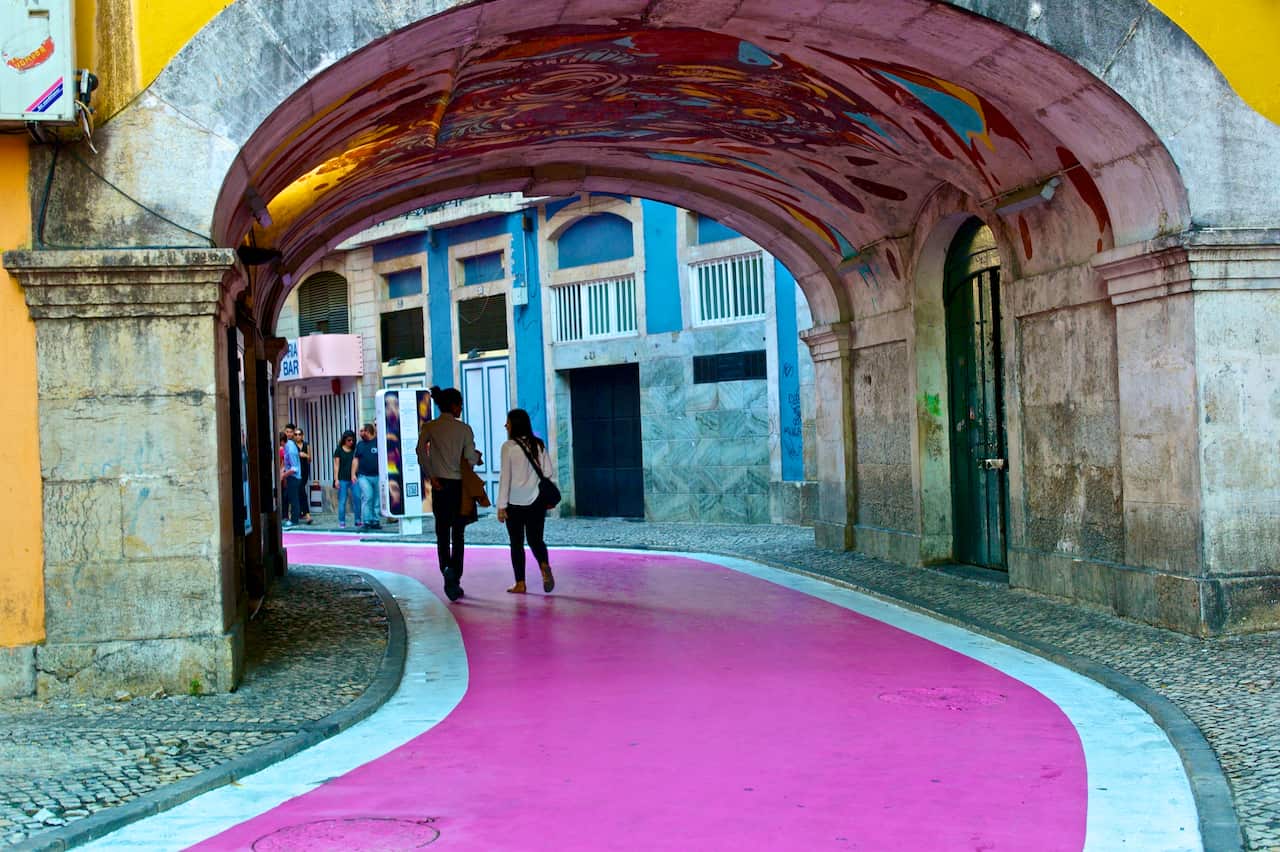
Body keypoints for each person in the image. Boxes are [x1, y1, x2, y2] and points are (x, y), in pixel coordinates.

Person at [417, 387, 480, 602]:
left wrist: (431, 475)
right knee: (458, 534)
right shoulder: (464, 429)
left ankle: (445, 568)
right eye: (459, 404)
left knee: (442, 532)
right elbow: (470, 458)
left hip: (440, 486)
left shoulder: (430, 427)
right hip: (459, 487)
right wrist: (476, 457)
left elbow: (420, 451)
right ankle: (455, 576)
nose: (461, 408)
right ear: (453, 405)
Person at [497, 408, 556, 595]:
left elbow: (505, 477)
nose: (506, 425)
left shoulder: (508, 447)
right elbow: (548, 472)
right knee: (536, 540)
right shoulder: (538, 444)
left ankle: (520, 583)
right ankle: (544, 565)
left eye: (508, 422)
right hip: (536, 501)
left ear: (515, 424)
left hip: (514, 503)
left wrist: (501, 506)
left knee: (516, 543)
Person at [354, 423, 382, 530]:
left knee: (377, 499)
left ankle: (375, 520)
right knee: (368, 496)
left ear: (368, 431)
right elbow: (356, 460)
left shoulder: (379, 442)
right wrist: (353, 474)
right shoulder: (360, 445)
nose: (360, 433)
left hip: (378, 476)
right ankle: (366, 521)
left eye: (362, 431)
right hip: (363, 476)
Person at [332, 430, 361, 528]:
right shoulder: (339, 450)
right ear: (344, 440)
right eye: (349, 440)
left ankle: (358, 520)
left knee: (357, 498)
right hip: (342, 479)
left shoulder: (355, 450)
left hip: (354, 478)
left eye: (353, 440)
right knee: (342, 501)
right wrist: (336, 479)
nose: (351, 442)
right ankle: (342, 521)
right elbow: (336, 466)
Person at [281, 423, 303, 528]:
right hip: (291, 477)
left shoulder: (290, 450)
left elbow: (294, 468)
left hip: (294, 478)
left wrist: (283, 475)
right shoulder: (287, 445)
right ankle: (291, 518)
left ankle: (294, 520)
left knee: (294, 499)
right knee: (290, 497)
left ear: (282, 441)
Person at [296, 428, 313, 524]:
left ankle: (301, 512)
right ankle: (307, 514)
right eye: (296, 434)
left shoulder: (306, 445)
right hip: (296, 472)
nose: (297, 436)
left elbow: (310, 459)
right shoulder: (293, 445)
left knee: (300, 491)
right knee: (301, 491)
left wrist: (305, 455)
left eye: (299, 434)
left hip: (304, 471)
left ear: (302, 435)